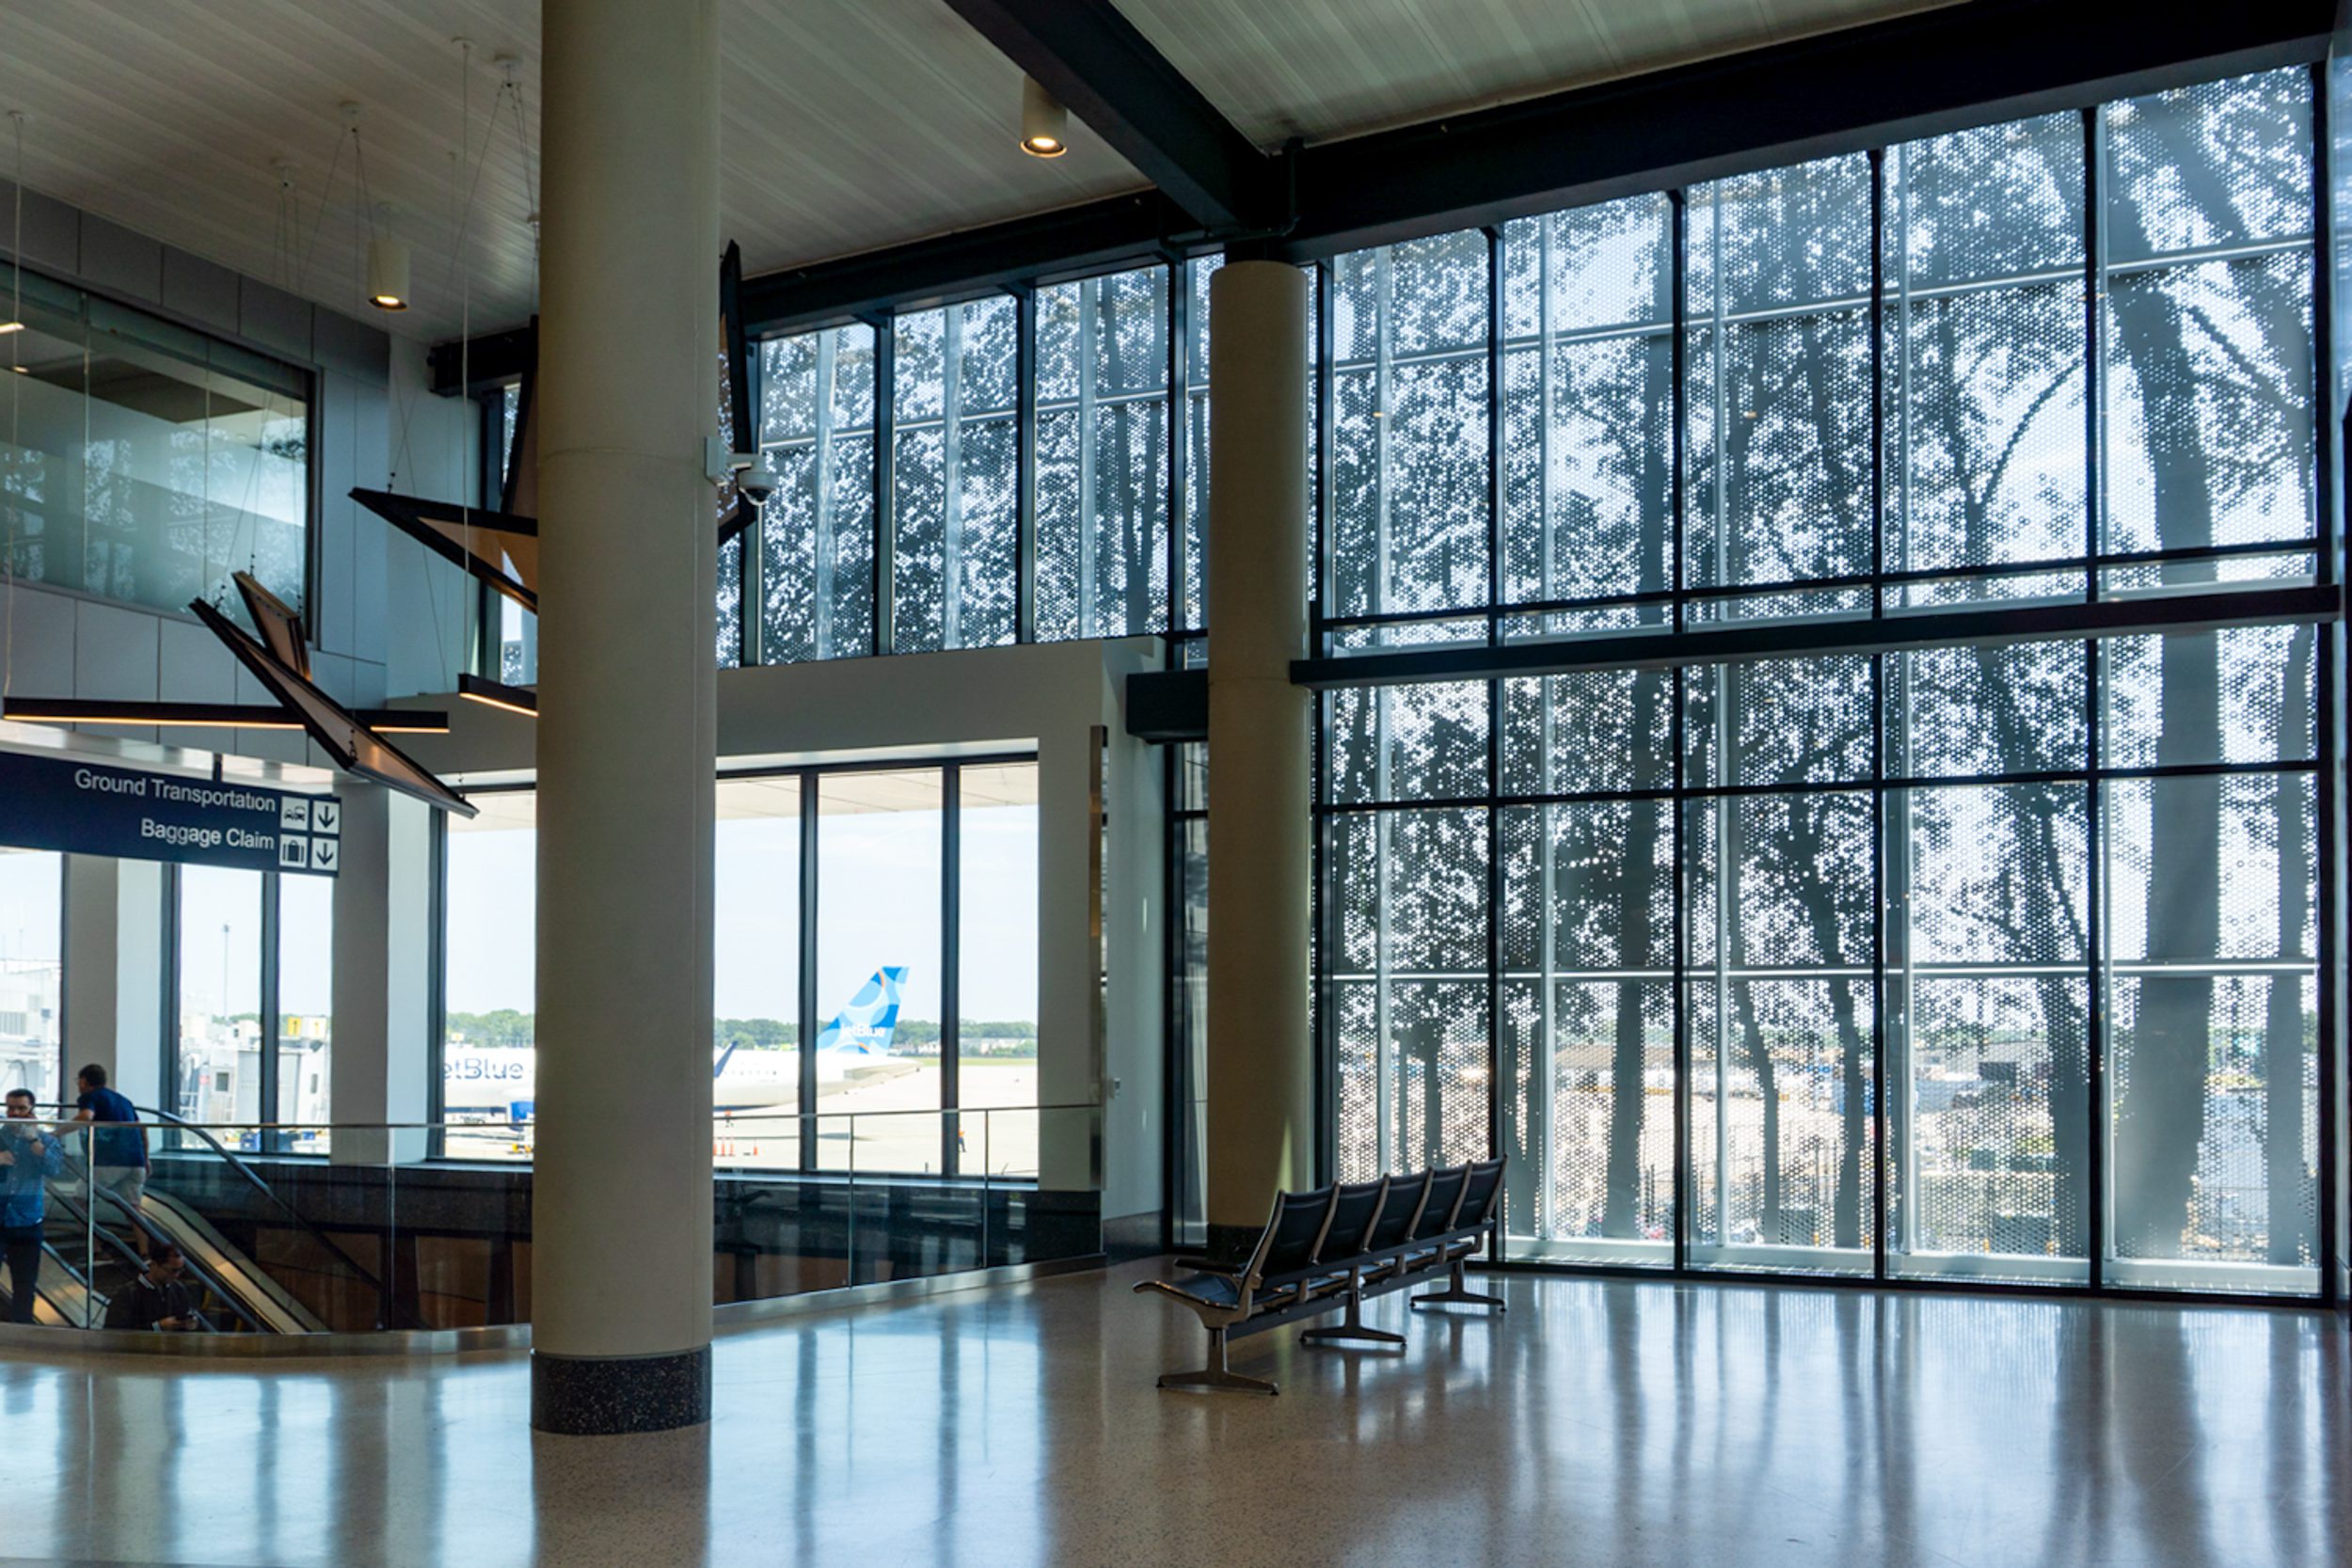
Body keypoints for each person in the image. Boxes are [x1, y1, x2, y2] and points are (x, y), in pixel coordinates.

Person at [0, 1088, 64, 1323]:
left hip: (26, 1220)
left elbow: (54, 1169)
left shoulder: (46, 1141)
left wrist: (34, 1140)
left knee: (25, 1284)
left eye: (21, 1109)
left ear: (31, 1111)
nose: (14, 1113)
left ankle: (23, 1332)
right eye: (10, 1108)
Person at [72, 1064, 148, 1240]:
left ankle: (95, 1249)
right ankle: (146, 1254)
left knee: (79, 1202)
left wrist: (56, 1132)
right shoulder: (123, 1100)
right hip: (135, 1162)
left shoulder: (90, 1097)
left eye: (78, 1081)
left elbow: (86, 1117)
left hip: (109, 1162)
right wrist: (146, 1159)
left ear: (84, 1082)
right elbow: (141, 1128)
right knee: (133, 1210)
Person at [103, 1243, 195, 1331]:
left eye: (180, 1271)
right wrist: (156, 1327)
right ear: (154, 1265)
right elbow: (115, 1330)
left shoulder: (178, 1290)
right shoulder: (128, 1294)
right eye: (172, 1271)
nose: (176, 1276)